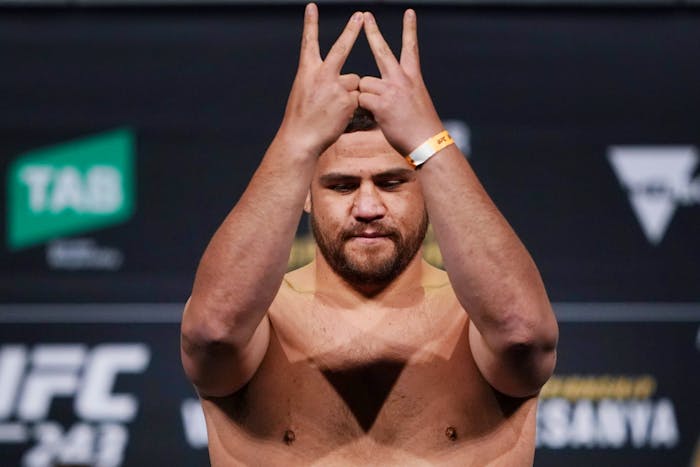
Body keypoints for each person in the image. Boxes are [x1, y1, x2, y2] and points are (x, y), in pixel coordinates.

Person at [180, 4, 558, 465]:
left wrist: (429, 140)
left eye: (392, 182)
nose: (367, 208)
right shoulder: (263, 322)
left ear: (429, 188)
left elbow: (523, 333)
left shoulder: (473, 321)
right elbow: (213, 331)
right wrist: (296, 142)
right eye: (341, 186)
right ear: (304, 194)